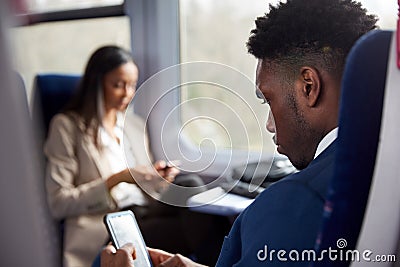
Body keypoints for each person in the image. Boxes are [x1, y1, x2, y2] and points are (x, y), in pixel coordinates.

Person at [99, 0, 378, 266]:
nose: (269, 124)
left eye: (269, 100)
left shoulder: (293, 202)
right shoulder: (377, 167)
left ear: (308, 86)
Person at [44, 45, 180, 267]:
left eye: (132, 85)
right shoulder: (67, 127)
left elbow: (146, 192)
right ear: (96, 84)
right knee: (191, 224)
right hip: (109, 225)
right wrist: (117, 179)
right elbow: (58, 203)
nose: (127, 94)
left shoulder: (134, 126)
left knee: (190, 187)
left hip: (143, 211)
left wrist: (157, 180)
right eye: (118, 85)